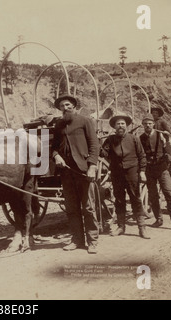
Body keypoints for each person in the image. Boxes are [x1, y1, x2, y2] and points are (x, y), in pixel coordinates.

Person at [51, 94, 99, 254]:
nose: (65, 108)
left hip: (83, 170)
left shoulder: (85, 121)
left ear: (73, 106)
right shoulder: (59, 124)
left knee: (88, 207)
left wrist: (92, 166)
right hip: (66, 172)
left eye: (68, 105)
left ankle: (92, 241)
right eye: (62, 106)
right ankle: (77, 240)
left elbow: (94, 144)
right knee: (71, 208)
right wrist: (56, 156)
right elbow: (54, 147)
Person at [101, 112, 150, 239]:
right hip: (117, 173)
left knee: (135, 198)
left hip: (132, 172)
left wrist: (143, 171)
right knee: (119, 199)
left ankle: (142, 228)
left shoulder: (134, 138)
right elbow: (103, 153)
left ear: (126, 125)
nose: (120, 126)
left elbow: (142, 156)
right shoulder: (110, 139)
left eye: (122, 123)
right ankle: (121, 227)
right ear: (114, 127)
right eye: (118, 124)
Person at [139, 114, 171, 230]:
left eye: (150, 123)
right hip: (149, 170)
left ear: (154, 124)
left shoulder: (161, 135)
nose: (148, 125)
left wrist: (168, 139)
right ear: (142, 125)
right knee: (153, 196)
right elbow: (140, 154)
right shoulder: (141, 138)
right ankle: (158, 219)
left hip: (162, 169)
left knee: (169, 193)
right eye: (145, 123)